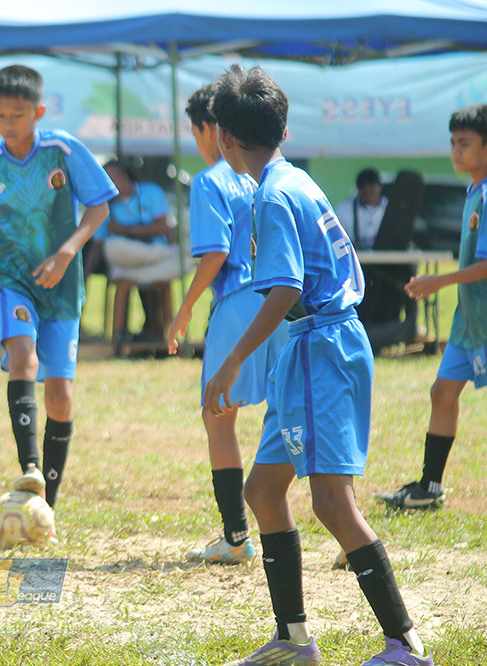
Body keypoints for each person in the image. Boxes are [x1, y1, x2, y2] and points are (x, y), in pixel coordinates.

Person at [203, 65, 433, 666]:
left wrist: (230, 364)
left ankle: (405, 644)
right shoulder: (292, 179)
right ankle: (293, 638)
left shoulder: (274, 196)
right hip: (311, 348)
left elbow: (284, 287)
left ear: (226, 137)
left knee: (332, 502)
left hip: (320, 350)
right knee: (262, 489)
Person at [0, 64, 117, 533]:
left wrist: (68, 252)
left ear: (39, 112)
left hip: (62, 284)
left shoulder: (62, 150)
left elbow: (100, 206)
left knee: (61, 398)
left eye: (19, 114)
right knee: (21, 357)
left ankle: (47, 502)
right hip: (11, 276)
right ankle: (29, 466)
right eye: (1, 114)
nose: (9, 123)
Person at [376, 104, 487, 515]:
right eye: (453, 143)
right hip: (470, 319)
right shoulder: (476, 189)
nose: (455, 151)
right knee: (442, 392)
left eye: (464, 144)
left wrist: (437, 281)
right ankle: (429, 487)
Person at [167, 83, 288, 565]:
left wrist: (185, 307)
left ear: (209, 130)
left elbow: (216, 253)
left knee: (218, 415)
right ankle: (347, 529)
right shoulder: (269, 173)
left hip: (237, 303)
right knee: (295, 410)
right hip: (281, 302)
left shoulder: (210, 179)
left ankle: (237, 537)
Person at [99, 160, 187, 344]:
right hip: (135, 257)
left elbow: (163, 226)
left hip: (145, 258)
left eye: (114, 177)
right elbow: (101, 244)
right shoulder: (105, 206)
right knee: (114, 248)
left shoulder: (150, 192)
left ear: (124, 176)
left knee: (182, 259)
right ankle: (162, 256)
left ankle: (154, 330)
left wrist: (125, 231)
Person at [336, 168, 388, 251]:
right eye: (365, 191)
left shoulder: (391, 209)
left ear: (380, 187)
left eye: (372, 190)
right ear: (359, 190)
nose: (369, 195)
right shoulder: (343, 211)